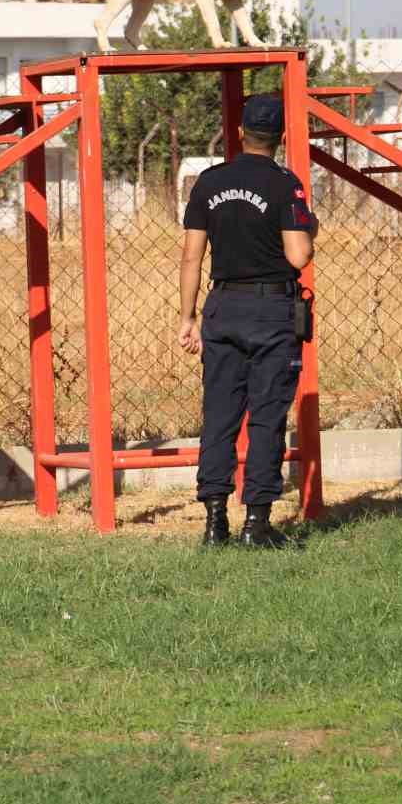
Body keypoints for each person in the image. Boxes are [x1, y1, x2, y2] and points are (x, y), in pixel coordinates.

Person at [177, 93, 318, 548]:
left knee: (219, 416)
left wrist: (187, 316)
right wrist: (308, 228)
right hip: (271, 311)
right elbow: (298, 255)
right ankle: (257, 525)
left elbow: (191, 257)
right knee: (265, 417)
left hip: (221, 308)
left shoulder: (208, 182)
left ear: (240, 133)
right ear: (279, 137)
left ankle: (214, 522)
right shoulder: (284, 184)